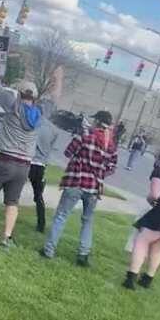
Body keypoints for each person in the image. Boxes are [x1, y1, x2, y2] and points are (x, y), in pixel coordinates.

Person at [0, 61, 63, 249]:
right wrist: (58, 78)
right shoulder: (40, 113)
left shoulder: (12, 105)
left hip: (4, 160)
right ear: (34, 98)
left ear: (19, 93)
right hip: (24, 166)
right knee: (12, 202)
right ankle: (6, 237)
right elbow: (55, 98)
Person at [41, 111, 117, 266]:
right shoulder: (111, 144)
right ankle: (83, 255)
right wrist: (99, 173)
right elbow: (112, 167)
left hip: (76, 181)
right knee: (87, 221)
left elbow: (68, 152)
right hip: (94, 187)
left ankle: (49, 250)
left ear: (97, 121)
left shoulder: (85, 134)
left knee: (61, 216)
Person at [123, 149, 160, 290]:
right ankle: (148, 278)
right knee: (158, 246)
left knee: (141, 241)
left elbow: (154, 195)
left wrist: (150, 199)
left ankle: (131, 277)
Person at [29, 117, 58, 233]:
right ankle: (41, 224)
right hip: (40, 164)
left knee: (7, 181)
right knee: (38, 197)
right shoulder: (54, 130)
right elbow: (50, 149)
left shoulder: (34, 123)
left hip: (29, 160)